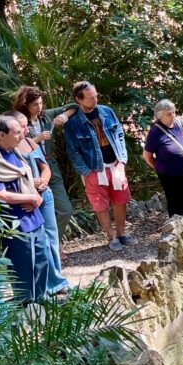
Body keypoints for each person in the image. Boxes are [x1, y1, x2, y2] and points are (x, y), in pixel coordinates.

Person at [0, 115, 50, 303]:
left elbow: (21, 177)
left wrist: (35, 190)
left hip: (33, 216)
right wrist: (32, 197)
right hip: (14, 222)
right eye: (17, 132)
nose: (22, 135)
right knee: (23, 268)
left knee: (42, 260)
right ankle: (26, 306)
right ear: (2, 135)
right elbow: (0, 194)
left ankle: (41, 300)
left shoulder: (13, 150)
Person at [63, 81, 134, 252]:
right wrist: (86, 172)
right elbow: (73, 151)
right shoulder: (73, 123)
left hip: (115, 164)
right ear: (79, 99)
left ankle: (122, 234)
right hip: (94, 169)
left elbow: (119, 134)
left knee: (121, 200)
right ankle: (111, 237)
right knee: (100, 204)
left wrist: (122, 160)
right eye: (90, 98)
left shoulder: (107, 112)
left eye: (96, 96)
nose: (95, 100)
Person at [7, 110, 70, 295]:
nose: (27, 129)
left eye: (26, 125)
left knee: (51, 238)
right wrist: (31, 187)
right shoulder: (8, 149)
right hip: (28, 199)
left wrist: (43, 181)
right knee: (39, 243)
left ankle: (57, 281)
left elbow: (45, 167)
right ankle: (45, 286)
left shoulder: (29, 142)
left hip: (44, 195)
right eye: (23, 126)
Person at [13, 86, 77, 235]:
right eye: (35, 104)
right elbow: (15, 147)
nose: (39, 107)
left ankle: (54, 242)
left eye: (41, 103)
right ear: (26, 105)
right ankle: (45, 245)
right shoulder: (18, 122)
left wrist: (63, 117)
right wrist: (36, 139)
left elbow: (74, 106)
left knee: (65, 210)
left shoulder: (46, 116)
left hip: (50, 166)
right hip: (30, 169)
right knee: (37, 211)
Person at [143, 99, 183, 216]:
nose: (173, 115)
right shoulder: (155, 132)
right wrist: (160, 167)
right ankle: (176, 225)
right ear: (160, 116)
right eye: (169, 114)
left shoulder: (177, 123)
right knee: (176, 205)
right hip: (170, 175)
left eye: (174, 112)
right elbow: (147, 156)